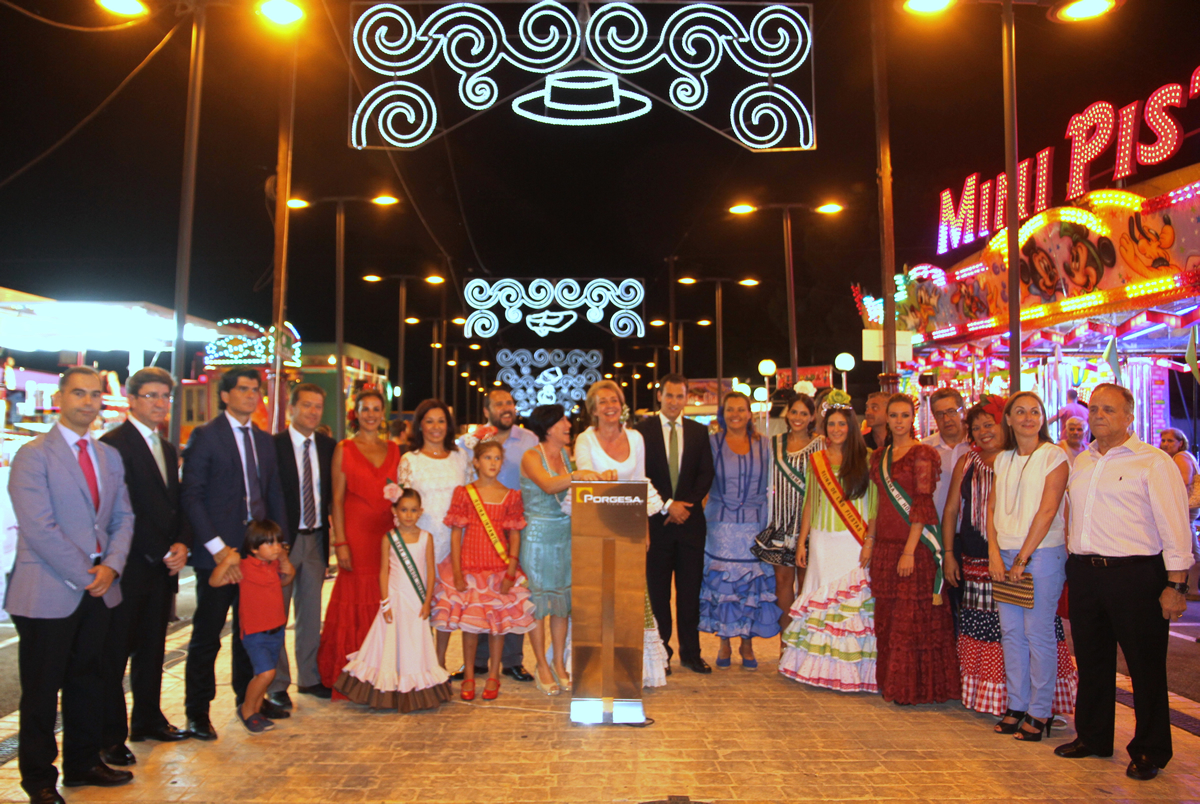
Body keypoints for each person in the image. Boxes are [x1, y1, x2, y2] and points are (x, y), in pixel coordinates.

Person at [6, 367, 135, 803]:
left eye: (95, 394)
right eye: (78, 393)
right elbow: (39, 528)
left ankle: (83, 764)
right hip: (48, 589)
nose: (88, 401)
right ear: (60, 398)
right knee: (42, 690)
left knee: (89, 680)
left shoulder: (109, 457)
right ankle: (39, 778)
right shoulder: (33, 455)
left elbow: (124, 518)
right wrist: (88, 575)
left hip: (101, 587)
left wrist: (112, 568)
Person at [1057, 383, 1193, 782]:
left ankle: (1150, 749)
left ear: (1129, 416)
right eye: (1094, 409)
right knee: (1093, 662)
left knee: (1144, 667)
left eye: (1109, 410)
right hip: (1086, 573)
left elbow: (1175, 525)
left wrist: (1176, 585)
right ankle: (1094, 737)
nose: (1098, 416)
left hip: (1135, 574)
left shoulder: (1152, 462)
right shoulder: (1082, 461)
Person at [181, 368, 289, 740]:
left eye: (255, 390)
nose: (251, 395)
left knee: (252, 633)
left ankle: (251, 703)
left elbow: (273, 493)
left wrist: (281, 547)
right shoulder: (206, 437)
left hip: (255, 557)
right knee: (207, 636)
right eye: (243, 389)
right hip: (217, 555)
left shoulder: (263, 440)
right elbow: (192, 496)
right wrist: (217, 548)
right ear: (225, 395)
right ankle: (197, 712)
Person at [98, 368, 191, 769]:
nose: (159, 403)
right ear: (132, 400)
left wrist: (182, 543)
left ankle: (148, 719)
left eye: (165, 397)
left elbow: (175, 503)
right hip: (128, 568)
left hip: (162, 569)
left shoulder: (167, 447)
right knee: (115, 655)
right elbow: (116, 512)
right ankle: (109, 737)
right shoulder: (113, 445)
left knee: (153, 650)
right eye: (151, 395)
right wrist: (156, 550)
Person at [986, 392, 1073, 741]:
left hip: (1041, 556)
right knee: (1011, 634)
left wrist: (1022, 558)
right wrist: (995, 553)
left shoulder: (1054, 456)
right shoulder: (1002, 459)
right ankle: (1016, 705)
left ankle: (1040, 712)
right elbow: (990, 510)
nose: (1027, 417)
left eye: (1034, 411)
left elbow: (1048, 511)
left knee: (1037, 635)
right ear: (1007, 419)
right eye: (1019, 412)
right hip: (1005, 556)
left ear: (1043, 418)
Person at [573, 379, 670, 686]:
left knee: (630, 600)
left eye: (614, 399)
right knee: (598, 601)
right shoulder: (584, 439)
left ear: (622, 404)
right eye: (602, 401)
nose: (609, 406)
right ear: (593, 410)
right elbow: (586, 476)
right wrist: (601, 477)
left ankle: (630, 670)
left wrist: (644, 529)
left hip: (628, 529)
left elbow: (640, 482)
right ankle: (594, 670)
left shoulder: (636, 438)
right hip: (595, 530)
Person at [779, 391, 877, 692]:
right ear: (824, 426)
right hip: (823, 540)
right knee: (821, 600)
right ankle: (816, 668)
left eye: (841, 424)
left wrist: (870, 540)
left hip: (853, 539)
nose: (836, 429)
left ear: (851, 426)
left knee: (852, 605)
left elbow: (874, 504)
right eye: (831, 424)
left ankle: (855, 672)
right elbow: (809, 502)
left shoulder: (868, 458)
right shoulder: (816, 460)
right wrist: (801, 542)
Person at [431, 441, 541, 700]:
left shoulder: (510, 495)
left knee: (497, 626)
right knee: (470, 626)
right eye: (487, 458)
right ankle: (468, 674)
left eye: (497, 458)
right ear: (476, 462)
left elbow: (514, 536)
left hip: (498, 570)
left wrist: (512, 571)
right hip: (469, 568)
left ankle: (493, 676)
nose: (493, 463)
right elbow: (456, 534)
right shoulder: (465, 493)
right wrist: (457, 573)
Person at [870, 393, 959, 705]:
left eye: (904, 415)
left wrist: (908, 550)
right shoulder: (879, 456)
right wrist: (870, 542)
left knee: (911, 623)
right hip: (883, 548)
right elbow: (877, 504)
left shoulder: (922, 454)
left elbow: (922, 506)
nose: (898, 421)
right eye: (893, 415)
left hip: (914, 548)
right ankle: (891, 683)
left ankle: (912, 688)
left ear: (913, 418)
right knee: (888, 620)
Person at [335, 487, 452, 711]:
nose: (409, 515)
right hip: (395, 599)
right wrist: (385, 601)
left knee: (414, 643)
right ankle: (388, 687)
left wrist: (428, 601)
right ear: (394, 510)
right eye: (404, 510)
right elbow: (383, 572)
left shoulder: (426, 538)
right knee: (389, 641)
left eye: (413, 510)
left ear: (421, 512)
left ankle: (416, 688)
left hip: (417, 602)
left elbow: (429, 570)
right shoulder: (389, 538)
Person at [317, 390, 401, 697]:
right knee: (356, 596)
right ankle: (353, 677)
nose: (371, 415)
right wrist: (340, 542)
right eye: (365, 409)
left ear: (383, 414)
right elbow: (336, 500)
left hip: (386, 535)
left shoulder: (394, 449)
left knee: (384, 597)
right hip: (355, 534)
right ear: (357, 413)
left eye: (376, 410)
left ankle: (383, 671)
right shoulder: (345, 448)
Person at [635, 374, 716, 673]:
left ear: (686, 399)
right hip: (655, 525)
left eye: (679, 397)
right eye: (669, 396)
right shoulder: (641, 432)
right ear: (660, 396)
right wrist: (667, 506)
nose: (674, 402)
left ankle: (691, 653)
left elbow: (705, 474)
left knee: (689, 592)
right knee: (658, 594)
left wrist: (685, 507)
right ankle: (662, 654)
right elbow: (640, 474)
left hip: (691, 525)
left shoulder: (698, 432)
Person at [459, 386, 540, 683]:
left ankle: (512, 661)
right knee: (481, 594)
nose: (507, 407)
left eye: (510, 402)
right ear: (486, 411)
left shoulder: (529, 439)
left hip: (516, 528)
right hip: (479, 531)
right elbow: (455, 458)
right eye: (499, 404)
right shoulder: (475, 439)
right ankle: (479, 661)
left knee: (513, 594)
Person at [519, 404, 600, 692]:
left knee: (562, 606)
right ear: (548, 427)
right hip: (538, 538)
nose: (568, 425)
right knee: (539, 605)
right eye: (563, 421)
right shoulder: (531, 455)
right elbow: (549, 486)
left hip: (564, 536)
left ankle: (558, 664)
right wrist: (580, 475)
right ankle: (541, 664)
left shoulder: (566, 456)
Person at [700, 391, 782, 669]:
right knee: (724, 586)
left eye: (741, 409)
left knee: (751, 586)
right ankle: (724, 640)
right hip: (720, 525)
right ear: (723, 414)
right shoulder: (711, 443)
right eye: (729, 409)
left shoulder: (766, 445)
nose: (735, 414)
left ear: (750, 413)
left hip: (755, 524)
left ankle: (747, 642)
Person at [271, 384, 336, 703]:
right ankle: (277, 683)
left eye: (318, 406)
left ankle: (309, 678)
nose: (312, 412)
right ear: (291, 408)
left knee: (310, 614)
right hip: (284, 543)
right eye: (306, 405)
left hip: (317, 539)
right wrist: (275, 543)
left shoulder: (328, 447)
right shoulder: (273, 446)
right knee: (277, 616)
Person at [398, 398, 471, 669]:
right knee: (421, 603)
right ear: (419, 426)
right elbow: (402, 504)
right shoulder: (409, 460)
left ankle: (439, 665)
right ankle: (420, 665)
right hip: (420, 542)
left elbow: (470, 497)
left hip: (454, 542)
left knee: (446, 606)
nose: (436, 427)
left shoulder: (460, 457)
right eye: (429, 421)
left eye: (441, 421)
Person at [209, 520, 294, 734]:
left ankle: (256, 711)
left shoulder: (272, 565)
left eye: (279, 543)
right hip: (256, 633)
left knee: (267, 675)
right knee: (265, 674)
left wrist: (284, 561)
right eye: (270, 544)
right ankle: (246, 710)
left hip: (276, 630)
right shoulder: (244, 567)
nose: (277, 547)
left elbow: (286, 578)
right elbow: (215, 581)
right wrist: (227, 561)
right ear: (255, 548)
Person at [753, 391, 823, 632]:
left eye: (804, 413)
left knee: (806, 582)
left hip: (810, 524)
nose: (798, 417)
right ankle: (785, 640)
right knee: (782, 583)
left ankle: (803, 641)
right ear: (787, 413)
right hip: (780, 523)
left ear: (812, 416)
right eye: (794, 412)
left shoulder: (821, 445)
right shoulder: (773, 443)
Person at [922, 387, 970, 518]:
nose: (947, 419)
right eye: (940, 414)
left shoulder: (976, 446)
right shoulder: (925, 449)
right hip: (936, 530)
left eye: (951, 411)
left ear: (963, 411)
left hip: (973, 531)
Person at [1159, 428, 1199, 528]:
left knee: (1185, 531)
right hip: (1186, 504)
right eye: (1163, 440)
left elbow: (1184, 482)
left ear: (1180, 443)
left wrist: (1175, 504)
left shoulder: (1181, 456)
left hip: (1185, 503)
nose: (1165, 444)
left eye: (1170, 441)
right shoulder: (1181, 456)